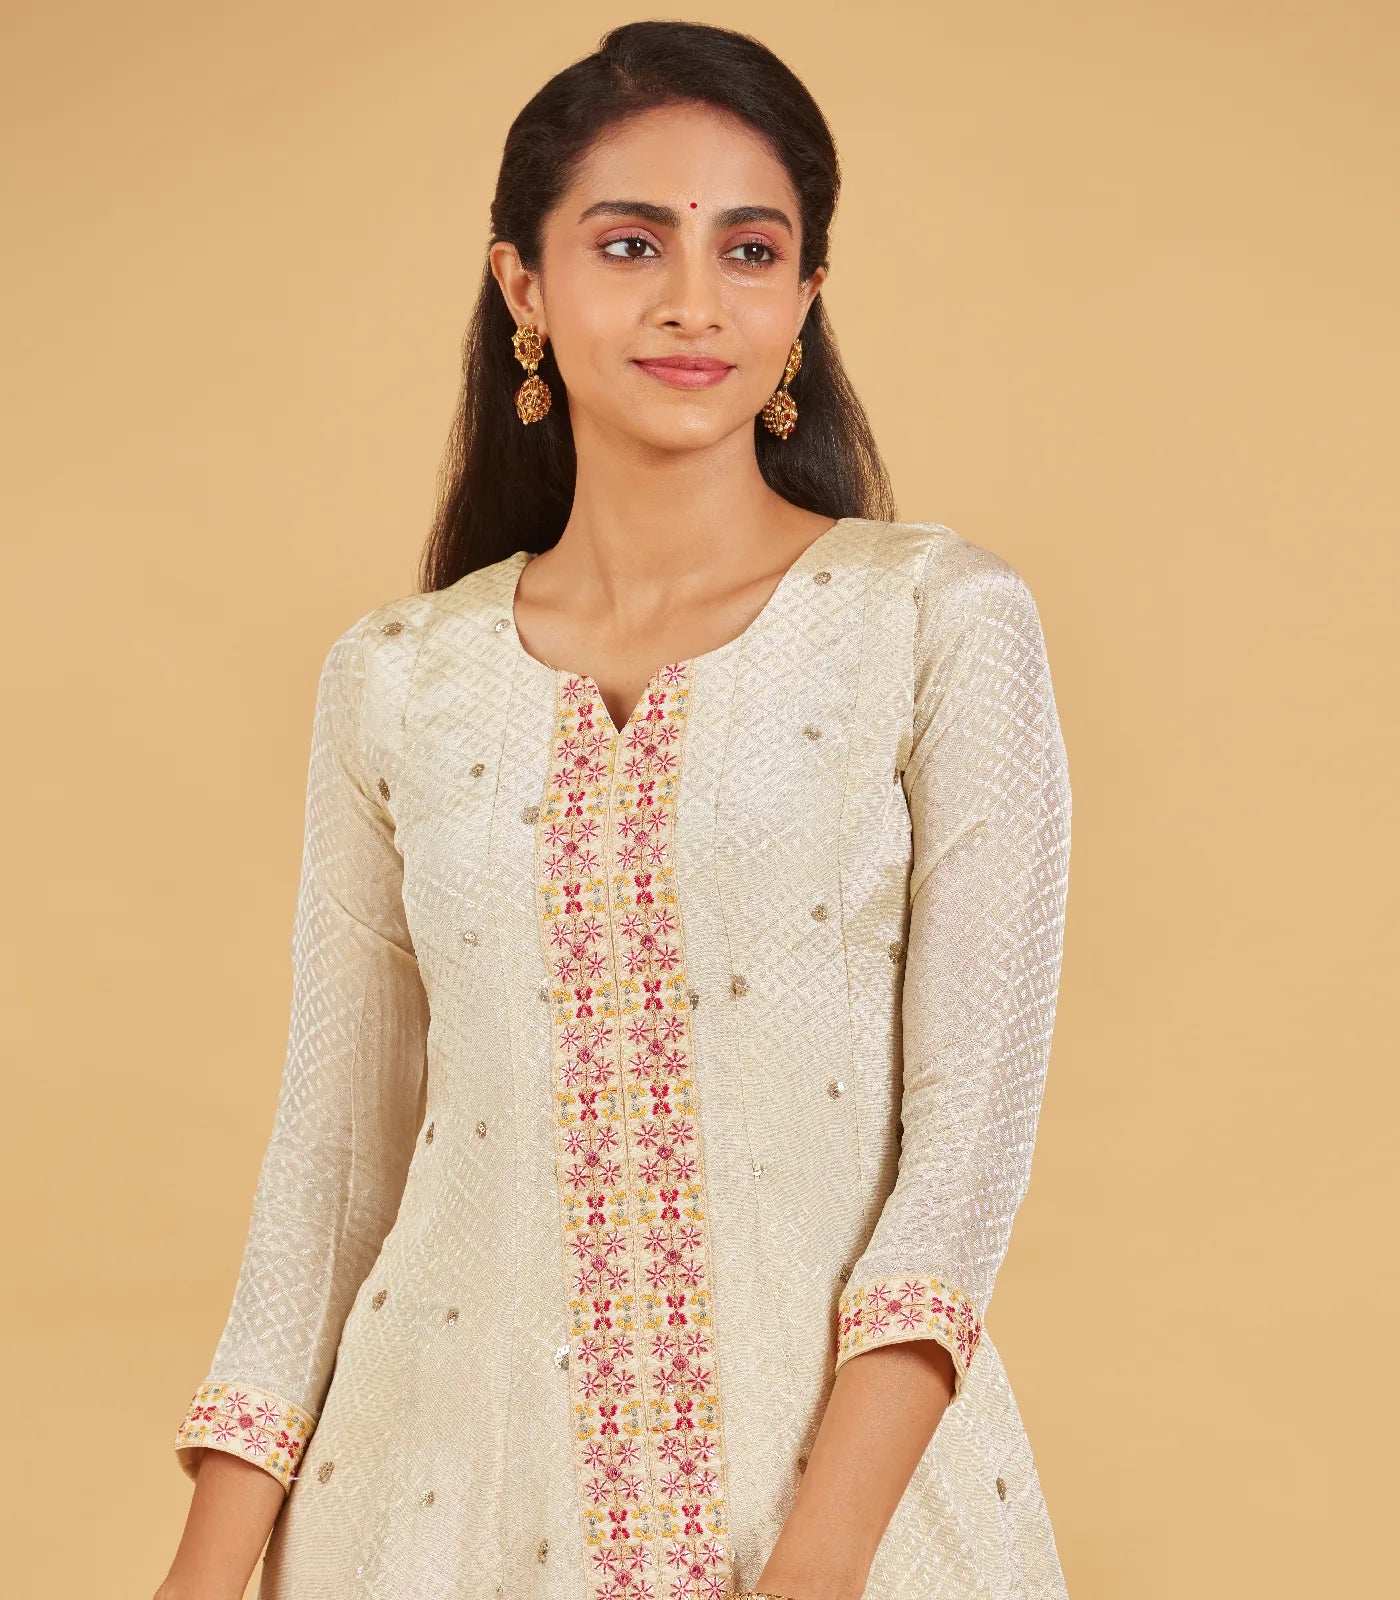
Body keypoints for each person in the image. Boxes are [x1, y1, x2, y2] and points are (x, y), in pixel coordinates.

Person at [156, 20, 1072, 1600]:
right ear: (523, 285)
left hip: (848, 1529)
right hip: (428, 1517)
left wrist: (819, 1566)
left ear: (806, 295)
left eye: (751, 250)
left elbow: (962, 1164)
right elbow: (330, 1167)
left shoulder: (934, 624)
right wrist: (199, 1573)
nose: (693, 301)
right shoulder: (399, 679)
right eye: (632, 243)